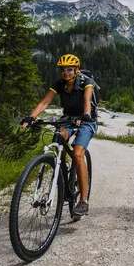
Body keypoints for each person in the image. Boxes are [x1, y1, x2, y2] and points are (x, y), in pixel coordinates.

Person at [21, 53, 97, 218]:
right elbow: (45, 102)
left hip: (86, 120)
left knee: (78, 154)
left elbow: (86, 99)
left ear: (76, 69)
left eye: (69, 69)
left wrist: (85, 115)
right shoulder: (60, 84)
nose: (66, 72)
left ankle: (83, 201)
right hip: (68, 119)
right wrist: (32, 116)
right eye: (62, 69)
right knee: (58, 137)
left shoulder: (86, 82)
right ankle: (62, 176)